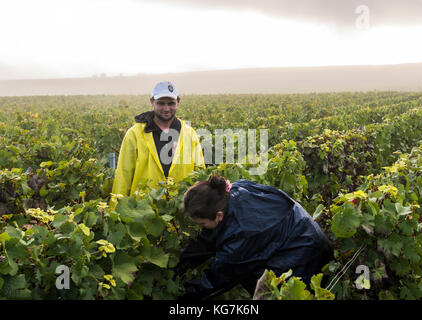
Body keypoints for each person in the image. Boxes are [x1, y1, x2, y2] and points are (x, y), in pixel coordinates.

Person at [175, 175, 333, 300]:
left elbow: (218, 278)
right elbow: (208, 239)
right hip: (296, 229)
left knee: (276, 292)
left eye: (201, 224)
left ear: (219, 215)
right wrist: (178, 266)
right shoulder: (229, 193)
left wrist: (179, 298)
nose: (199, 228)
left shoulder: (241, 234)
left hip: (305, 252)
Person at [110, 81, 205, 205]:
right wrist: (115, 212)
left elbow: (199, 172)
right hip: (143, 212)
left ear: (178, 102)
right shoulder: (134, 134)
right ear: (152, 102)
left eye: (171, 103)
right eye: (161, 103)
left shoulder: (189, 133)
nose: (166, 109)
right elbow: (123, 175)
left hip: (181, 209)